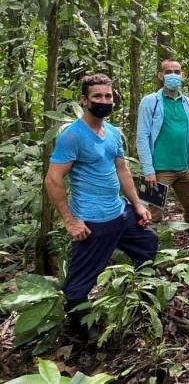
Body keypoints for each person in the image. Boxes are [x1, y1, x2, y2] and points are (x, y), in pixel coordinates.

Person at [46, 74, 158, 341]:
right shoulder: (73, 136)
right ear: (84, 100)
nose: (104, 101)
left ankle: (138, 299)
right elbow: (53, 179)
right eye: (97, 97)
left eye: (108, 96)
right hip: (93, 221)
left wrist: (137, 205)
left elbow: (122, 170)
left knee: (148, 243)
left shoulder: (113, 133)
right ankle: (85, 331)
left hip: (120, 212)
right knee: (79, 281)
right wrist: (70, 221)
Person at [136, 59, 189, 242]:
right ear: (160, 75)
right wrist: (148, 170)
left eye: (177, 71)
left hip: (182, 169)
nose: (174, 75)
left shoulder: (187, 103)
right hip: (158, 170)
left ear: (182, 75)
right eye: (169, 71)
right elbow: (142, 136)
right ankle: (148, 257)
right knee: (154, 214)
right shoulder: (150, 102)